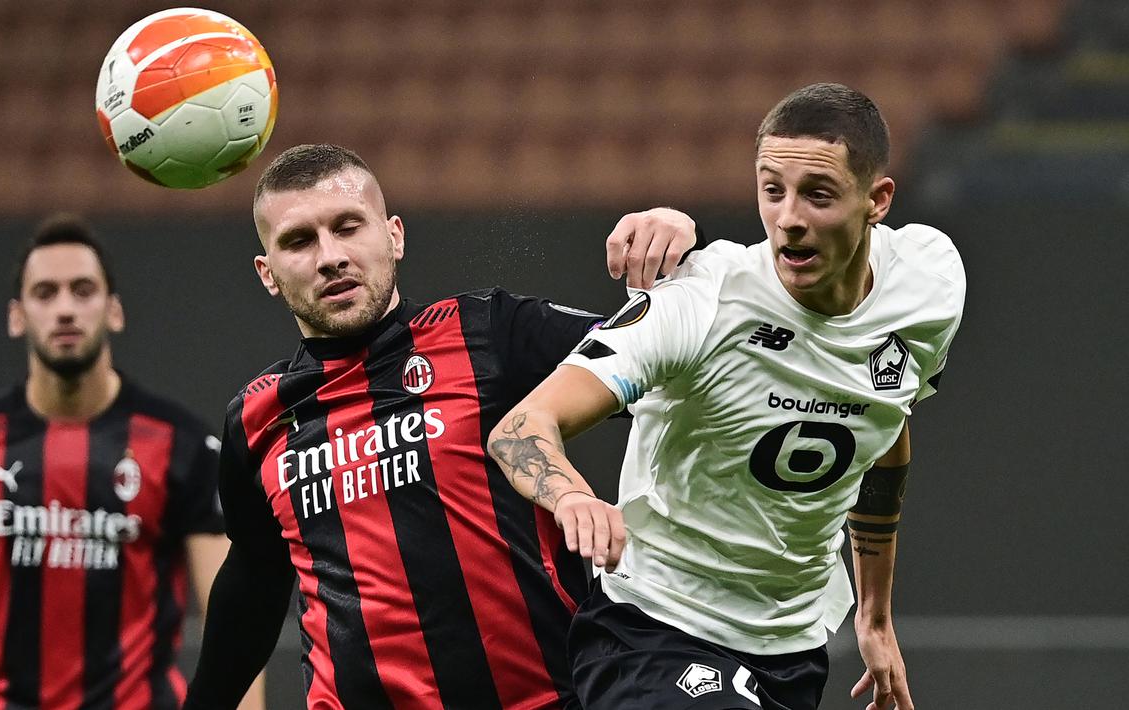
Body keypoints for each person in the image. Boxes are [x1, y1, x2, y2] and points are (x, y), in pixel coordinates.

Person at [487, 83, 966, 710]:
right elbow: (522, 427)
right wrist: (572, 495)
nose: (789, 217)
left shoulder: (930, 284)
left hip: (790, 647)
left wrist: (875, 618)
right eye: (772, 190)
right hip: (654, 630)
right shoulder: (700, 301)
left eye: (817, 195)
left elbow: (883, 425)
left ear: (877, 200)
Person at [182, 143, 700, 709]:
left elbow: (678, 371)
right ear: (268, 273)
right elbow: (253, 589)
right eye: (299, 241)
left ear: (395, 236)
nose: (330, 256)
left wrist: (686, 261)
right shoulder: (256, 419)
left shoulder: (492, 334)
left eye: (348, 227)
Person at [0, 217, 263, 710]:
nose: (65, 309)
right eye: (45, 293)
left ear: (114, 310)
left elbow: (230, 616)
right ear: (16, 317)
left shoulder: (183, 445)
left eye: (83, 290)